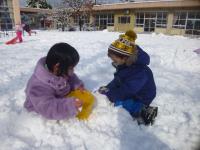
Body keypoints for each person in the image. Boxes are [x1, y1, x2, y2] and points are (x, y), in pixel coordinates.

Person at [98, 30, 158, 125]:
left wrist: (110, 94)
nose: (113, 62)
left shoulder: (140, 71)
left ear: (125, 58)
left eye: (115, 60)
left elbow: (128, 90)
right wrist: (108, 88)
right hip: (132, 91)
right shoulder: (125, 65)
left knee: (121, 103)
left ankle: (145, 112)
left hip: (141, 97)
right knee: (117, 98)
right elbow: (117, 81)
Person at [24, 43, 84, 120]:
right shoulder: (38, 86)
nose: (72, 71)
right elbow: (48, 108)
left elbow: (71, 76)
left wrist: (77, 85)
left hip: (59, 101)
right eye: (71, 68)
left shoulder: (60, 71)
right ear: (57, 66)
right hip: (42, 112)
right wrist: (69, 106)